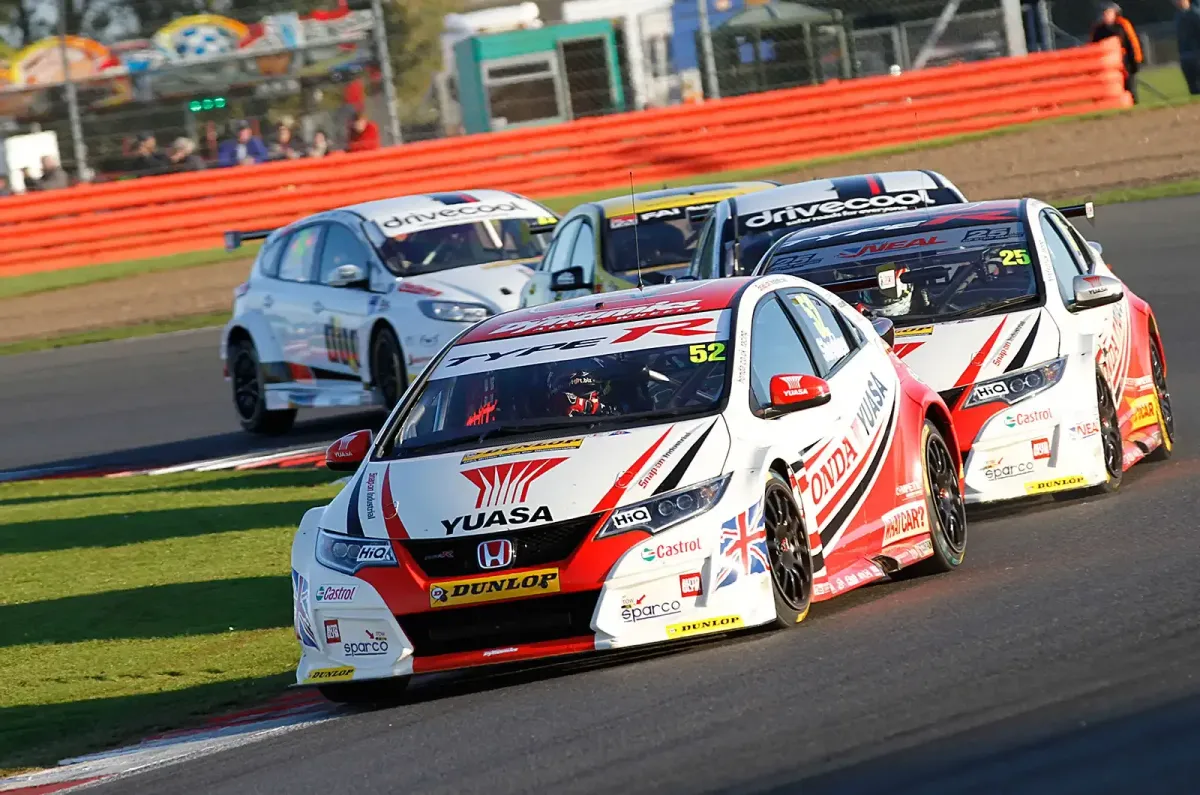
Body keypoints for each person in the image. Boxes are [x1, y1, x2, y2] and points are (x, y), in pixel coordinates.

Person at [1091, 2, 1143, 103]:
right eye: (1104, 13)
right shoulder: (1098, 29)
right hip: (1107, 66)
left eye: (1108, 13)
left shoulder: (1123, 25)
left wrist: (1136, 61)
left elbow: (1132, 43)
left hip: (1125, 63)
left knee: (1129, 88)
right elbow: (1093, 47)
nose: (1106, 16)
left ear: (1115, 13)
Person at [1176, 0, 1200, 95]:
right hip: (1185, 56)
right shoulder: (1179, 16)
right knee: (1193, 89)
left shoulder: (1195, 14)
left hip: (1196, 55)